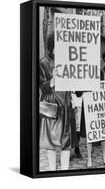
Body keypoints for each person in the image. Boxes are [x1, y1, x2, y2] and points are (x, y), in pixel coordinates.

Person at [39, 34, 74, 170]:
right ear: (52, 46)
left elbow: (76, 86)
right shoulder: (44, 62)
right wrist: (53, 79)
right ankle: (52, 170)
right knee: (50, 141)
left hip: (66, 104)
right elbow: (43, 87)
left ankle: (65, 170)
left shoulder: (70, 62)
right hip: (50, 104)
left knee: (67, 140)